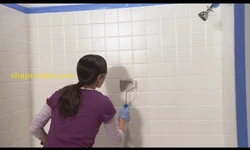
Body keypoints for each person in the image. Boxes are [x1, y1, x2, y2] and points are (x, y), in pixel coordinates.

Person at [29, 54, 131, 147]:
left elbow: (34, 128)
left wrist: (48, 141)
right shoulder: (103, 103)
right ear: (99, 77)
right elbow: (116, 140)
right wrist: (122, 119)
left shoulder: (60, 94)